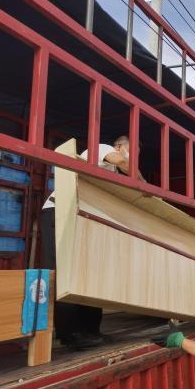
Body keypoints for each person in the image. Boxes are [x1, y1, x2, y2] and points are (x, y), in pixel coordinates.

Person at [40, 135, 136, 349]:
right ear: (119, 146)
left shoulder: (109, 174)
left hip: (83, 215)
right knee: (67, 269)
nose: (133, 157)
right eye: (132, 151)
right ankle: (69, 333)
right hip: (60, 211)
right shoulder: (100, 150)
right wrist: (142, 183)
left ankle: (91, 330)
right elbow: (123, 162)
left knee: (91, 272)